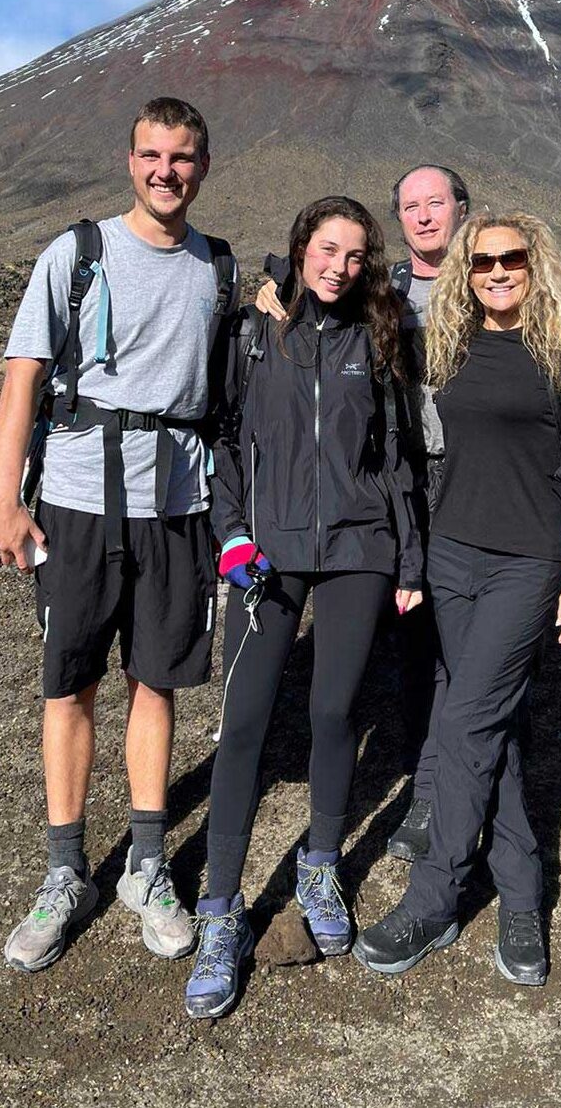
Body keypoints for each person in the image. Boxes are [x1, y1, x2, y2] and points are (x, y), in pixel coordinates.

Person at [255, 165, 561, 860]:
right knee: (423, 648)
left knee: (489, 659)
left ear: (464, 211)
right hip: (408, 478)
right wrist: (275, 288)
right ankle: (428, 785)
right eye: (410, 207)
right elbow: (318, 307)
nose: (422, 217)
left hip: (487, 480)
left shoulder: (505, 282)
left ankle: (483, 790)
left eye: (435, 204)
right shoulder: (380, 288)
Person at [0, 96, 237, 974]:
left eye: (183, 157)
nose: (166, 171)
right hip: (80, 505)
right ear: (130, 161)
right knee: (72, 683)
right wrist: (3, 498)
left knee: (156, 682)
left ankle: (146, 865)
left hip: (177, 510)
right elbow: (23, 378)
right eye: (151, 155)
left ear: (204, 166)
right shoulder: (78, 252)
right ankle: (64, 874)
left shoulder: (220, 269)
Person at [353, 211, 561, 986]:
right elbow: (356, 330)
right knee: (488, 731)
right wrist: (274, 289)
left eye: (513, 259)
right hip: (451, 558)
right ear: (463, 272)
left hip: (525, 565)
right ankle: (524, 895)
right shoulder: (447, 347)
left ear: (537, 265)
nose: (498, 272)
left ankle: (433, 899)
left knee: (465, 722)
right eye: (483, 262)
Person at [184, 195, 424, 1020]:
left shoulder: (379, 335)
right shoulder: (256, 333)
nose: (340, 267)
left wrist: (409, 557)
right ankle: (221, 912)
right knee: (245, 722)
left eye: (357, 256)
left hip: (360, 551)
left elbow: (395, 457)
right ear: (300, 247)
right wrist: (232, 536)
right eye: (328, 249)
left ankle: (321, 866)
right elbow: (221, 438)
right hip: (269, 556)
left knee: (333, 714)